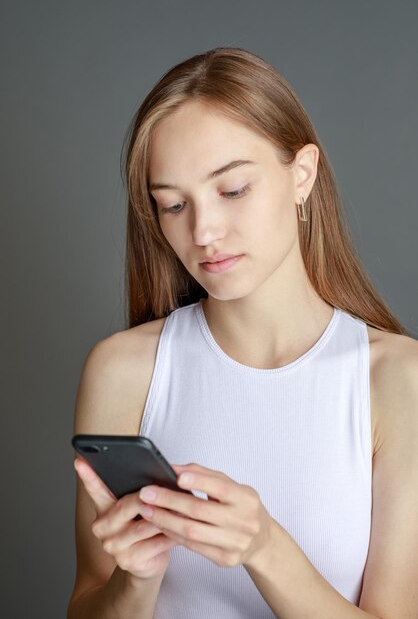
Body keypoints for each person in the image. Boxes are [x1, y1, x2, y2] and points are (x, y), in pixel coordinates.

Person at [67, 47, 418, 619]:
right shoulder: (122, 371)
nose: (203, 231)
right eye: (173, 204)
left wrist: (265, 549)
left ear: (302, 175)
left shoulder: (398, 380)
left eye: (232, 190)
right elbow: (85, 604)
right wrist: (135, 580)